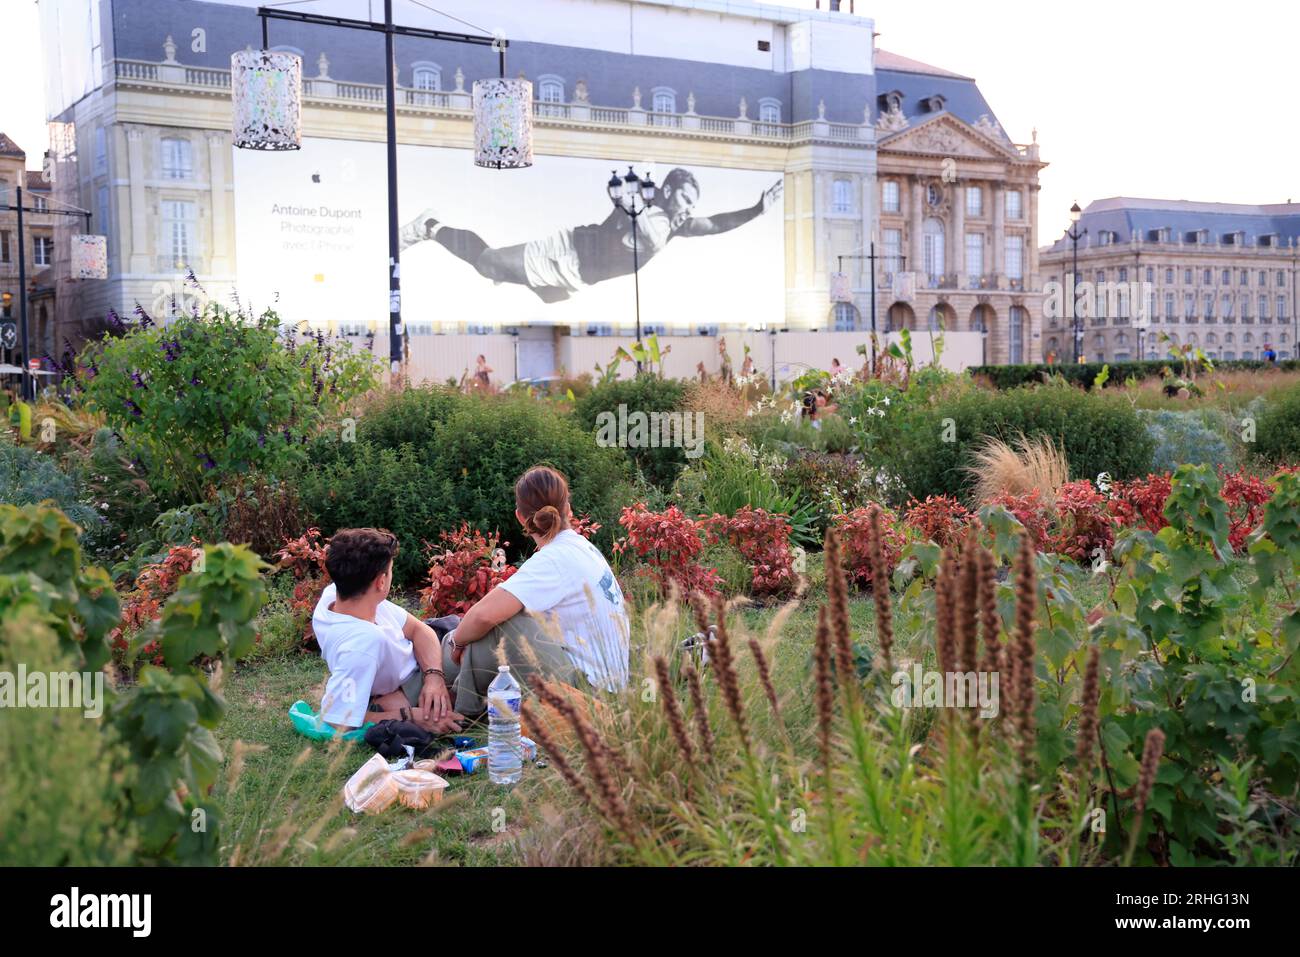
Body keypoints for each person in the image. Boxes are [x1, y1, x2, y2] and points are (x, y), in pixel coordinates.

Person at [399, 169, 783, 303]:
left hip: (580, 276)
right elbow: (615, 216)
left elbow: (715, 224)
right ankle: (428, 227)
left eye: (691, 203)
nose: (687, 208)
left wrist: (756, 209)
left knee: (552, 296)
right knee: (487, 264)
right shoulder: (640, 203)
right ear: (668, 191)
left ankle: (519, 277)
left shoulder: (677, 225)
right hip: (567, 252)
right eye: (684, 198)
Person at [440, 466, 630, 715]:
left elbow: (483, 615)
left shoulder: (554, 559)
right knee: (488, 629)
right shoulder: (582, 547)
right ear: (568, 507)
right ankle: (444, 691)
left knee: (498, 625)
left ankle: (444, 698)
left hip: (586, 693)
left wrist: (455, 642)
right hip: (608, 687)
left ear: (520, 516)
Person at [313, 528, 464, 734]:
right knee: (485, 649)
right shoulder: (361, 645)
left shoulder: (338, 595)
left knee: (473, 633)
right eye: (391, 570)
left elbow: (419, 629)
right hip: (410, 684)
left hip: (425, 661)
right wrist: (409, 715)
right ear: (381, 582)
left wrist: (434, 677)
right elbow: (338, 720)